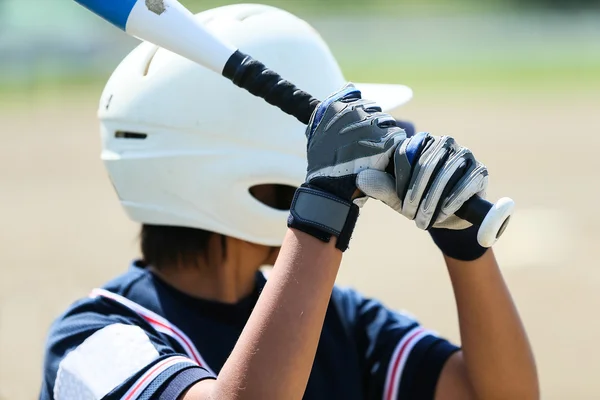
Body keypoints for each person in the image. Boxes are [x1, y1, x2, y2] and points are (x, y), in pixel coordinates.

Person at [39, 4, 539, 400]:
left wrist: (467, 250)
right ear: (258, 175)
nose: (363, 182)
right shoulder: (93, 341)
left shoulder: (335, 321)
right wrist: (323, 208)